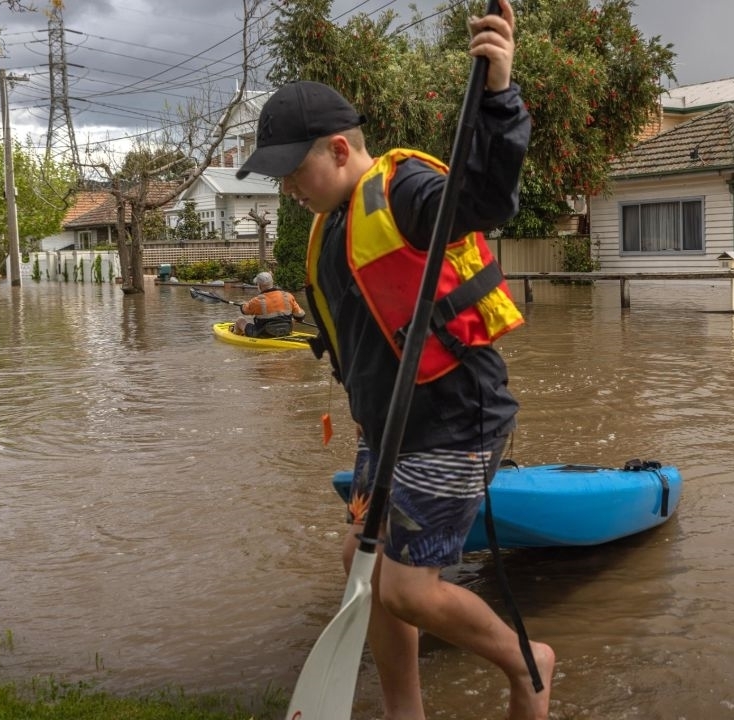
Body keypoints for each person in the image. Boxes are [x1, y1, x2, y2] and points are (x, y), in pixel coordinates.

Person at [236, 2, 553, 718]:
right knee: (361, 564)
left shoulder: (405, 191)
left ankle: (527, 663)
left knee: (407, 587)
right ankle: (403, 712)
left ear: (341, 150)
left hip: (454, 420)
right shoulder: (332, 224)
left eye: (295, 169)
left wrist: (499, 96)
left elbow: (482, 198)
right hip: (387, 429)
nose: (288, 188)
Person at [232, 271, 306, 337]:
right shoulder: (288, 296)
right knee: (293, 319)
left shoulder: (257, 300)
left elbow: (244, 311)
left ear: (259, 286)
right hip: (285, 330)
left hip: (264, 333)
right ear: (272, 283)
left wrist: (242, 305)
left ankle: (235, 334)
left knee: (240, 320)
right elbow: (301, 315)